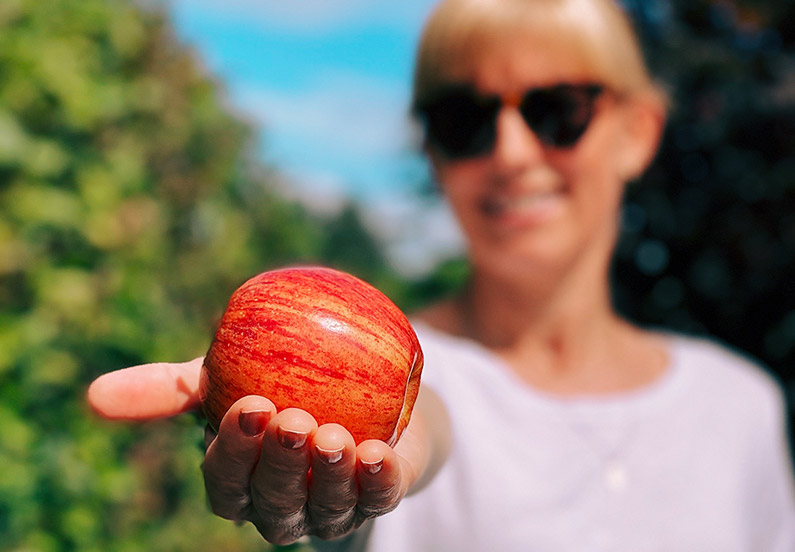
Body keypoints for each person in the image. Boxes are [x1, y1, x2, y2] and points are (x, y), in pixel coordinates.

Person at [87, 0, 795, 550]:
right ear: (432, 154)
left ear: (637, 131)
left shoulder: (739, 407)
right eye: (464, 120)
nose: (512, 153)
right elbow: (427, 419)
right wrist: (385, 446)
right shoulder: (425, 380)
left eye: (556, 111)